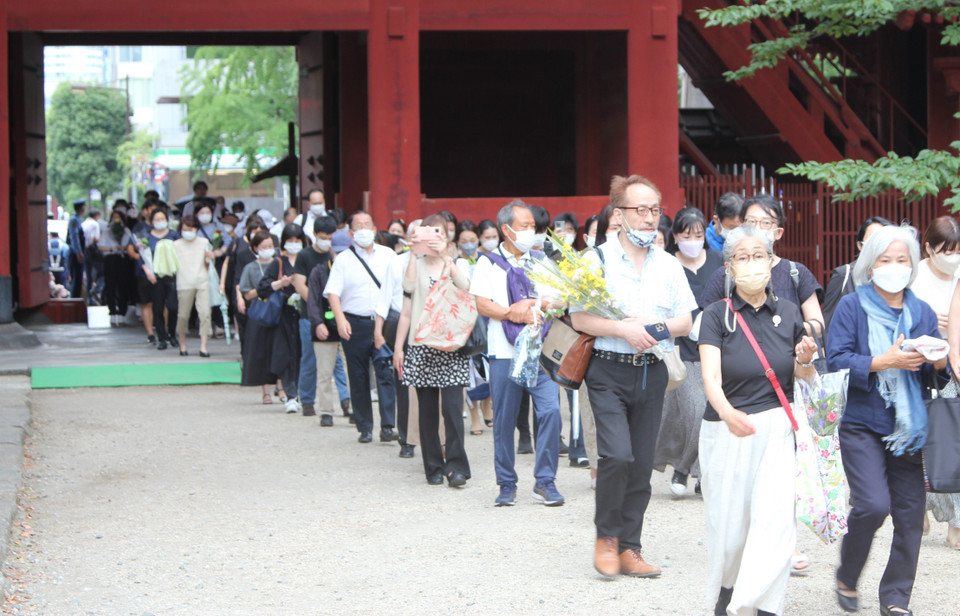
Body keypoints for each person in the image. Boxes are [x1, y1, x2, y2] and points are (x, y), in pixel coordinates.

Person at [569, 175, 696, 579]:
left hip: (652, 372)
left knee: (642, 463)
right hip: (606, 370)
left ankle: (631, 547)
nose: (649, 217)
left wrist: (654, 328)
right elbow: (578, 317)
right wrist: (622, 329)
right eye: (640, 209)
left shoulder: (669, 264)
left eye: (655, 209)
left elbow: (686, 320)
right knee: (617, 456)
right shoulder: (595, 260)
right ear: (619, 215)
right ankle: (606, 538)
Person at [827, 224, 946, 616]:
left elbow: (934, 375)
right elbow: (836, 362)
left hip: (908, 428)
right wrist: (884, 361)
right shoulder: (851, 306)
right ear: (870, 263)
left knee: (910, 516)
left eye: (902, 260)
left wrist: (939, 361)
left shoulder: (921, 312)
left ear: (912, 265)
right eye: (885, 259)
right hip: (862, 421)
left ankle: (895, 597)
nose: (894, 266)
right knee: (873, 505)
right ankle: (847, 574)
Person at [698, 225, 817, 616]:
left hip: (777, 429)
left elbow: (801, 377)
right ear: (729, 268)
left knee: (774, 522)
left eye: (758, 255)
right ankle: (728, 591)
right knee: (731, 531)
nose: (752, 264)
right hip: (726, 429)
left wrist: (804, 359)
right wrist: (729, 413)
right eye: (742, 257)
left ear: (771, 260)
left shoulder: (788, 312)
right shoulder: (717, 315)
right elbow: (710, 378)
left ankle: (761, 604)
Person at [470, 199, 565, 507]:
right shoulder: (487, 263)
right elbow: (482, 303)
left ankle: (546, 480)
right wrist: (513, 314)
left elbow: (558, 297)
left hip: (541, 349)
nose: (530, 233)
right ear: (505, 229)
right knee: (505, 418)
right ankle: (506, 483)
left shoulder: (540, 259)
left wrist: (535, 305)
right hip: (504, 352)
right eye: (524, 227)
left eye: (533, 227)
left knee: (550, 411)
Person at [393, 214, 473, 486]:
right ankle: (433, 467)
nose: (433, 237)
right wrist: (398, 347)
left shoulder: (457, 262)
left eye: (439, 232)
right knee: (427, 412)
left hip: (450, 344)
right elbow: (407, 299)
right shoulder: (414, 263)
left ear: (447, 235)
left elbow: (466, 288)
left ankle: (457, 467)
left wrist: (446, 260)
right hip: (421, 345)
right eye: (428, 232)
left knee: (452, 410)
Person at [654, 207, 724, 497]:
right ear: (676, 236)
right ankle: (684, 467)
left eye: (698, 234)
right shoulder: (668, 265)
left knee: (717, 413)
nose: (693, 240)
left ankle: (701, 472)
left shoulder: (719, 262)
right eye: (686, 235)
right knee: (696, 409)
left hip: (717, 347)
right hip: (682, 348)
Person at [323, 211, 399, 444]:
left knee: (386, 373)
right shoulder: (343, 259)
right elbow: (332, 292)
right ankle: (364, 426)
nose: (363, 229)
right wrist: (340, 319)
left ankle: (388, 425)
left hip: (383, 324)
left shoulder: (388, 255)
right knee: (358, 375)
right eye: (358, 226)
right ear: (350, 232)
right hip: (353, 323)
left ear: (375, 230)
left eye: (368, 225)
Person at [909, 215, 960, 549]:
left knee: (953, 445)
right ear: (928, 248)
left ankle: (955, 523)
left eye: (956, 250)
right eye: (945, 250)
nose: (951, 257)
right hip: (917, 367)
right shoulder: (913, 275)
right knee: (922, 443)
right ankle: (921, 506)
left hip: (952, 366)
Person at [254, 224, 304, 413]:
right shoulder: (278, 262)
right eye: (290, 241)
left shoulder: (306, 258)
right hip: (283, 314)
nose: (293, 244)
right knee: (287, 354)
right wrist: (280, 283)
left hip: (304, 313)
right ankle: (290, 394)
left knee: (304, 354)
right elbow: (262, 288)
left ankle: (303, 393)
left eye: (297, 241)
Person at [292, 216, 337, 417]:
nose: (326, 240)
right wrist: (316, 305)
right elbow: (299, 283)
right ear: (315, 235)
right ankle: (308, 400)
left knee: (337, 363)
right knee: (309, 359)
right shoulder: (305, 256)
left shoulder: (337, 255)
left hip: (335, 316)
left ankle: (344, 401)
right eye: (323, 236)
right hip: (309, 316)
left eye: (330, 237)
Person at [305, 224, 344, 427]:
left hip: (349, 326)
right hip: (325, 327)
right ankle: (326, 411)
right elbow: (312, 300)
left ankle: (353, 406)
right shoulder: (319, 271)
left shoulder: (354, 270)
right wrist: (318, 323)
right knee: (324, 372)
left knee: (352, 371)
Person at [823, 216, 893, 329]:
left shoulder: (898, 276)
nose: (875, 245)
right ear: (860, 245)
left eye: (881, 240)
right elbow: (829, 320)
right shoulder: (843, 274)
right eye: (871, 239)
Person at [239, 231, 282, 404]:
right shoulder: (249, 268)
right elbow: (247, 294)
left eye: (270, 246)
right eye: (264, 247)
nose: (268, 250)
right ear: (255, 248)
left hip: (279, 312)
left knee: (279, 351)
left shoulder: (280, 264)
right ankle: (265, 391)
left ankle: (281, 386)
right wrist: (268, 287)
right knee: (261, 352)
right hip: (259, 314)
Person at [173, 215, 214, 357]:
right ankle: (182, 343)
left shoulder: (204, 242)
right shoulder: (176, 245)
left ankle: (204, 346)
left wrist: (210, 257)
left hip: (202, 280)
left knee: (205, 313)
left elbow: (207, 263)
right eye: (184, 229)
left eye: (190, 229)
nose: (187, 232)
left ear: (196, 228)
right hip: (184, 282)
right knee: (183, 315)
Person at [141, 208, 180, 350]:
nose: (159, 222)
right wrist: (148, 272)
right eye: (156, 219)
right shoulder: (146, 238)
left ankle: (172, 334)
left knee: (173, 307)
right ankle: (162, 338)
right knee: (157, 308)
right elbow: (142, 257)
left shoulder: (174, 235)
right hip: (155, 276)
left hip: (172, 275)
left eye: (162, 219)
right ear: (152, 221)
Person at [99, 209, 134, 326]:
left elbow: (132, 244)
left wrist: (124, 248)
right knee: (110, 285)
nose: (116, 220)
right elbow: (100, 246)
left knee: (123, 285)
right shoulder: (107, 231)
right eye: (114, 217)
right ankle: (112, 311)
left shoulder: (126, 231)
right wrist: (111, 249)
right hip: (110, 259)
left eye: (118, 217)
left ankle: (122, 311)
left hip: (123, 259)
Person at [67, 199, 86, 298]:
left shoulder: (77, 219)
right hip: (75, 254)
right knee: (76, 279)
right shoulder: (74, 220)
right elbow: (74, 238)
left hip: (77, 252)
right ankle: (75, 301)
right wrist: (78, 252)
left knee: (78, 280)